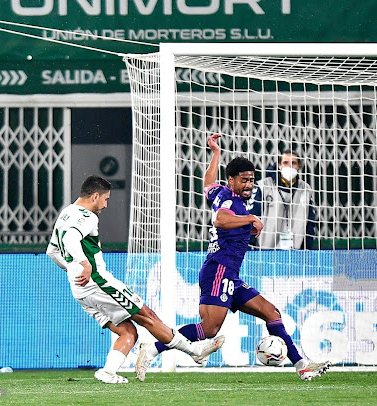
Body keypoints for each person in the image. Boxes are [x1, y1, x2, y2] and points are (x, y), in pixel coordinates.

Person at [135, 134, 331, 381]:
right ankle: (152, 349)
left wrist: (215, 154)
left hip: (230, 274)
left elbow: (207, 184)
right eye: (244, 180)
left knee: (272, 312)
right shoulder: (230, 200)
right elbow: (220, 219)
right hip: (218, 271)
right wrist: (250, 219)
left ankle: (301, 366)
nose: (249, 184)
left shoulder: (220, 192)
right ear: (231, 180)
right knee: (208, 329)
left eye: (252, 180)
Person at [46, 175, 224, 384]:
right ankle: (194, 350)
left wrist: (72, 269)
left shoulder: (66, 213)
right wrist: (84, 265)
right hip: (98, 283)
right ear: (95, 196)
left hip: (80, 290)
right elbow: (70, 239)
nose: (105, 205)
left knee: (128, 331)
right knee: (147, 315)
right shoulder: (87, 216)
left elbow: (52, 251)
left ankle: (108, 372)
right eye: (105, 199)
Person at [248, 149, 316, 249]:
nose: (290, 166)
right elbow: (252, 219)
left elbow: (310, 224)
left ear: (299, 166)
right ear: (279, 165)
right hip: (265, 251)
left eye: (294, 163)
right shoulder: (263, 186)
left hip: (295, 252)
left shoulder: (306, 189)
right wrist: (249, 248)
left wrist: (307, 249)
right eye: (286, 163)